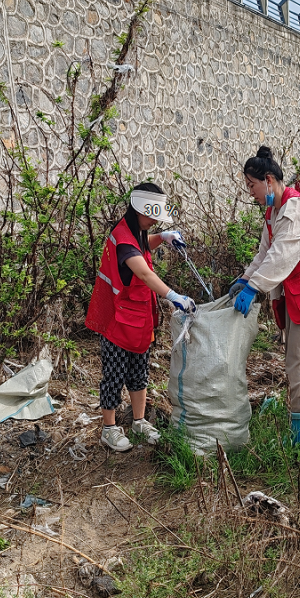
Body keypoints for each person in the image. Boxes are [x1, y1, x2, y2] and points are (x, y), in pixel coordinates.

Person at [229, 147, 300, 452]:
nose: (251, 193)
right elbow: (265, 253)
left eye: (252, 186)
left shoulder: (296, 210)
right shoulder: (274, 212)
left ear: (269, 180)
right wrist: (245, 278)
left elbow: (282, 256)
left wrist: (254, 287)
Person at [85, 182, 196, 452]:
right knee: (114, 376)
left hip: (138, 321)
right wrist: (174, 296)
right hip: (118, 323)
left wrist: (163, 237)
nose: (156, 220)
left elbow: (144, 243)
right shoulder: (122, 239)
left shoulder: (135, 232)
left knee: (139, 373)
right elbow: (144, 272)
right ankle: (109, 428)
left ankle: (139, 420)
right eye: (153, 215)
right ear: (139, 211)